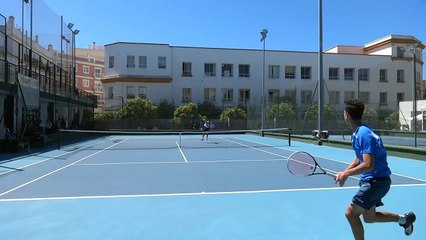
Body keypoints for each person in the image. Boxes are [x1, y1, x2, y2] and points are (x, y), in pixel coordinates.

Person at [335, 99, 416, 240]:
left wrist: (346, 173)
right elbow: (358, 158)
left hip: (376, 182)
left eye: (344, 112)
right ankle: (405, 219)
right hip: (373, 181)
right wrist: (344, 172)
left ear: (347, 114)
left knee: (350, 213)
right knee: (369, 218)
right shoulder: (358, 133)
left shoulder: (363, 134)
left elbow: (368, 165)